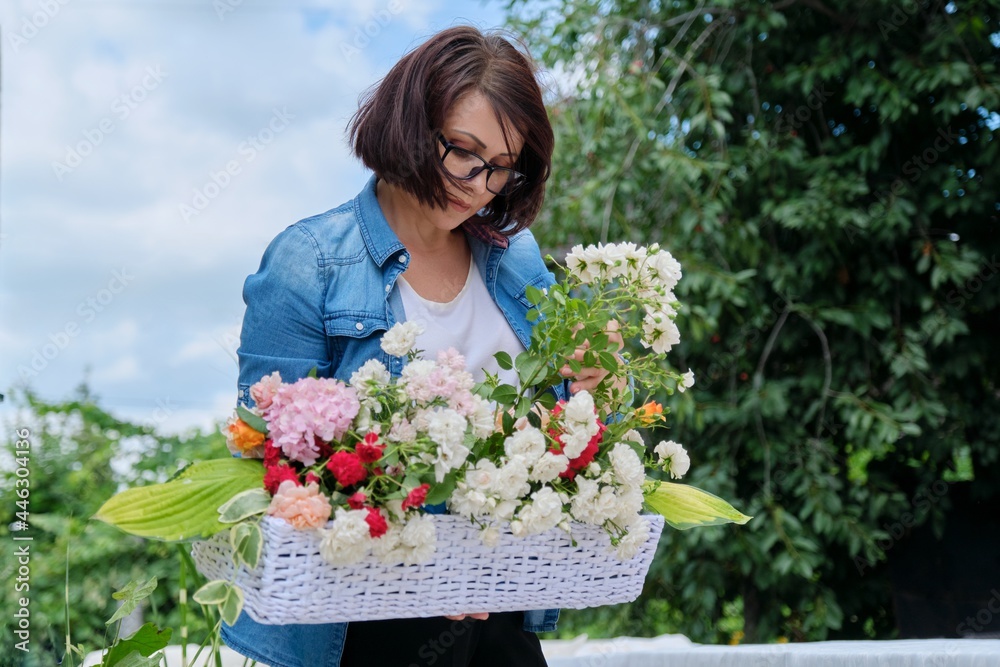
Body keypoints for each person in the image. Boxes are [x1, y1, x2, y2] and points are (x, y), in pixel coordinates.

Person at [224, 25, 619, 667]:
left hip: (500, 621)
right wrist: (423, 555)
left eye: (502, 167)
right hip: (360, 629)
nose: (479, 183)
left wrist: (590, 386)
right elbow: (274, 469)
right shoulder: (309, 261)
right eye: (464, 151)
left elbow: (559, 433)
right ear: (411, 122)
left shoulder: (514, 258)